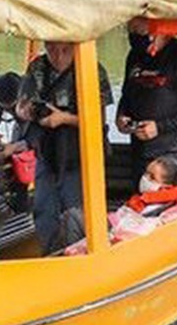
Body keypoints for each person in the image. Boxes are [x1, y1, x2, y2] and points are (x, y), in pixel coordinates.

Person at [16, 41, 113, 253]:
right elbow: (21, 105)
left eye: (65, 50)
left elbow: (98, 120)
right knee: (44, 209)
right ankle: (50, 256)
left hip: (81, 154)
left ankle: (79, 257)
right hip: (47, 152)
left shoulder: (91, 69)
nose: (58, 56)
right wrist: (28, 111)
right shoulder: (37, 68)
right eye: (52, 49)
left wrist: (64, 118)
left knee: (76, 211)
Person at [116, 17, 177, 179]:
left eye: (140, 31)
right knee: (139, 198)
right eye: (131, 31)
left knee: (164, 201)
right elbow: (127, 92)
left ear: (159, 31)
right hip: (139, 150)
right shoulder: (134, 56)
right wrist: (121, 116)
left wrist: (160, 127)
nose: (135, 36)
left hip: (172, 153)